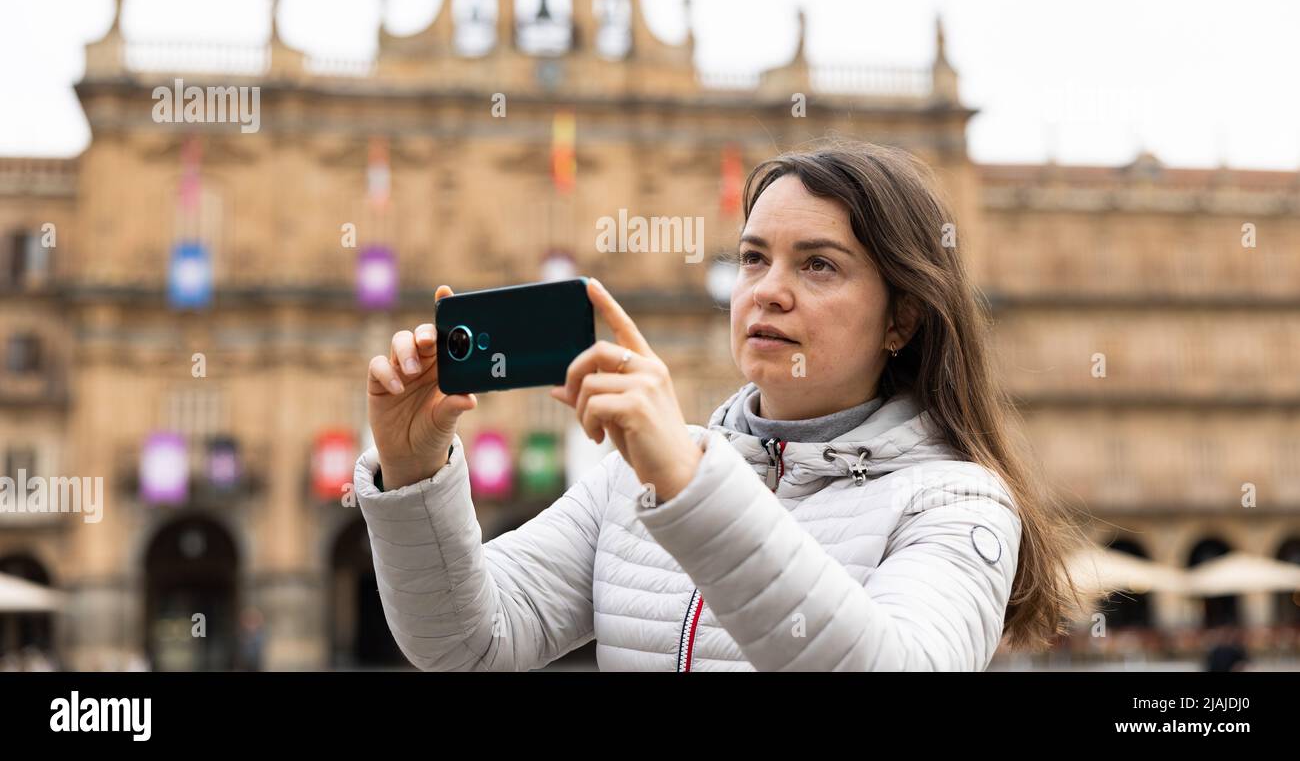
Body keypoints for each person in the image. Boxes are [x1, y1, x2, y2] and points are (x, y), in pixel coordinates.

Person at [355, 139, 1087, 671]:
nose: (767, 288)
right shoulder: (632, 481)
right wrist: (414, 471)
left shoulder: (958, 504)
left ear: (903, 319)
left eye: (818, 264)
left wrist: (688, 481)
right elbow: (468, 643)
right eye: (753, 257)